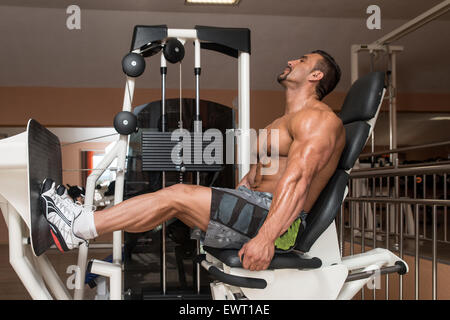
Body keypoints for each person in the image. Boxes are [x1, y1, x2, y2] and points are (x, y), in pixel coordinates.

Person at [40, 50, 345, 271]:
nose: (291, 61)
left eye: (302, 61)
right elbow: (254, 175)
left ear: (316, 75)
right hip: (257, 205)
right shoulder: (282, 121)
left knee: (177, 195)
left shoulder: (319, 119)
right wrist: (238, 191)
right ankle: (82, 222)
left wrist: (266, 238)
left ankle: (80, 226)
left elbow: (299, 180)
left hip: (277, 222)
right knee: (173, 201)